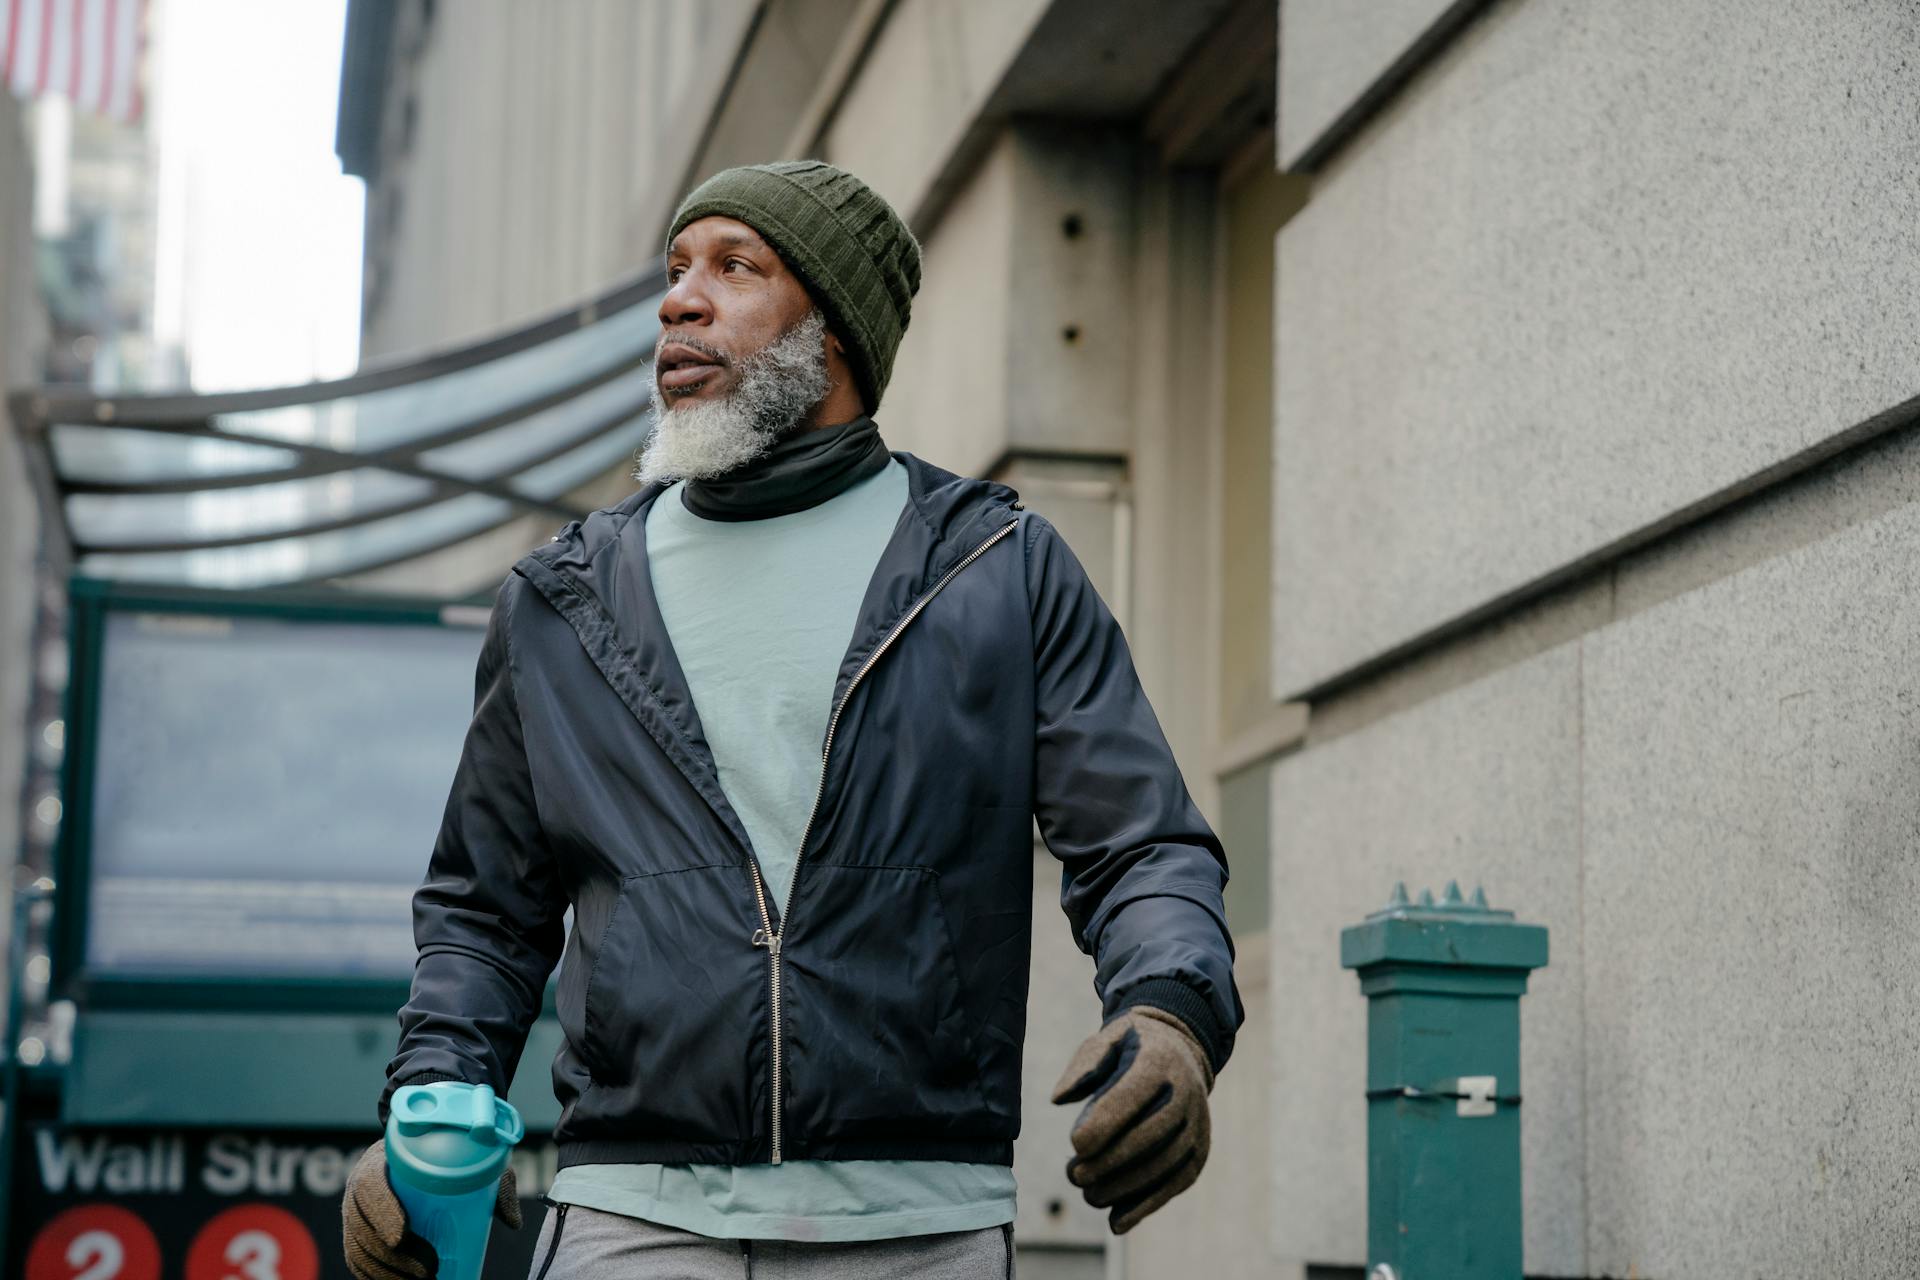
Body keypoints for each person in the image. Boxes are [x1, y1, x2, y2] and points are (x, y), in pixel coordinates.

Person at [342, 160, 1242, 1280]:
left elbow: (1140, 842)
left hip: (922, 1220)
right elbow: (484, 911)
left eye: (735, 267)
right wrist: (430, 1099)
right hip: (635, 1213)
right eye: (675, 270)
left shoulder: (995, 569)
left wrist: (1172, 1012)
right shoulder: (561, 600)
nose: (680, 299)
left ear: (835, 331)